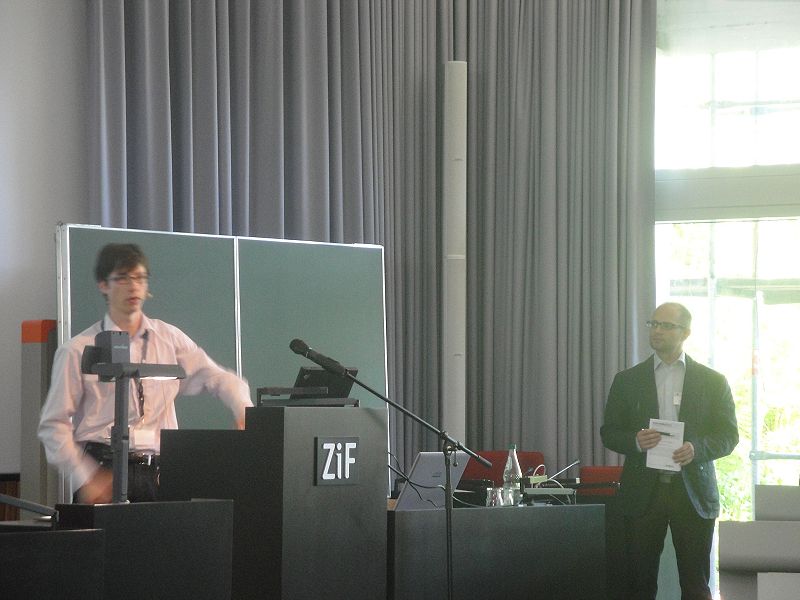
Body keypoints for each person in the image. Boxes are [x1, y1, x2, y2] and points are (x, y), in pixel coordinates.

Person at [38, 243, 252, 503]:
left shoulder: (169, 339)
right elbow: (53, 425)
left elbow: (217, 377)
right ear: (103, 285)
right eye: (123, 278)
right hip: (104, 471)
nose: (133, 286)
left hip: (161, 470)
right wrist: (85, 476)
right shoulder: (77, 349)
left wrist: (243, 409)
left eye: (140, 278)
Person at [600, 302, 738, 600]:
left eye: (666, 325)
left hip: (692, 492)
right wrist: (636, 440)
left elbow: (728, 436)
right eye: (653, 324)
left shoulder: (713, 381)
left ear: (685, 332)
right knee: (638, 583)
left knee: (695, 584)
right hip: (643, 493)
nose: (657, 330)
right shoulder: (628, 380)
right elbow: (609, 432)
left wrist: (697, 448)